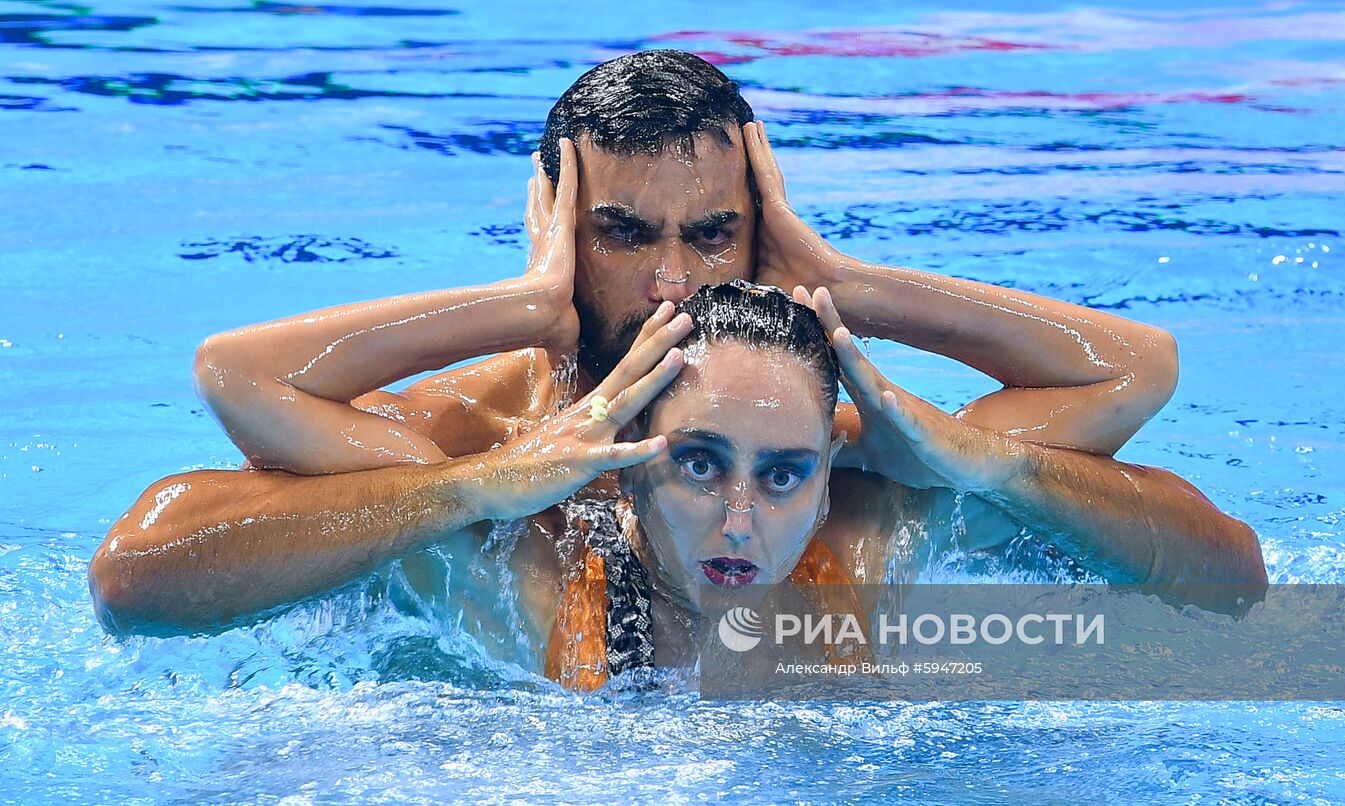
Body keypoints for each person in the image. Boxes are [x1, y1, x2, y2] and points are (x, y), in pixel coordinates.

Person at [87, 50, 1266, 659]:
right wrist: (520, 327)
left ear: (758, 233)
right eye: (620, 234)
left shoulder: (831, 447)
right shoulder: (469, 440)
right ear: (554, 226)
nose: (672, 281)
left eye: (712, 233)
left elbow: (1136, 381)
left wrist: (844, 289)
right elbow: (142, 567)